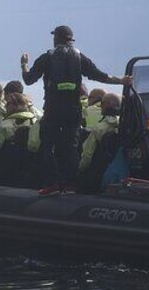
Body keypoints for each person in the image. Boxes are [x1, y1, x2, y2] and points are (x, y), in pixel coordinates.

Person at [21, 25, 132, 195]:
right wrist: (121, 81)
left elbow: (28, 80)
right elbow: (100, 75)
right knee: (71, 147)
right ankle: (72, 184)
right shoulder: (80, 58)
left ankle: (52, 183)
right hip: (73, 110)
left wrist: (24, 65)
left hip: (53, 109)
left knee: (48, 146)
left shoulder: (47, 58)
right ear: (71, 40)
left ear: (55, 39)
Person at [0, 93, 37, 186]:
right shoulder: (35, 122)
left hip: (8, 170)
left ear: (16, 105)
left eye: (8, 104)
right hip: (32, 166)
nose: (5, 106)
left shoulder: (4, 125)